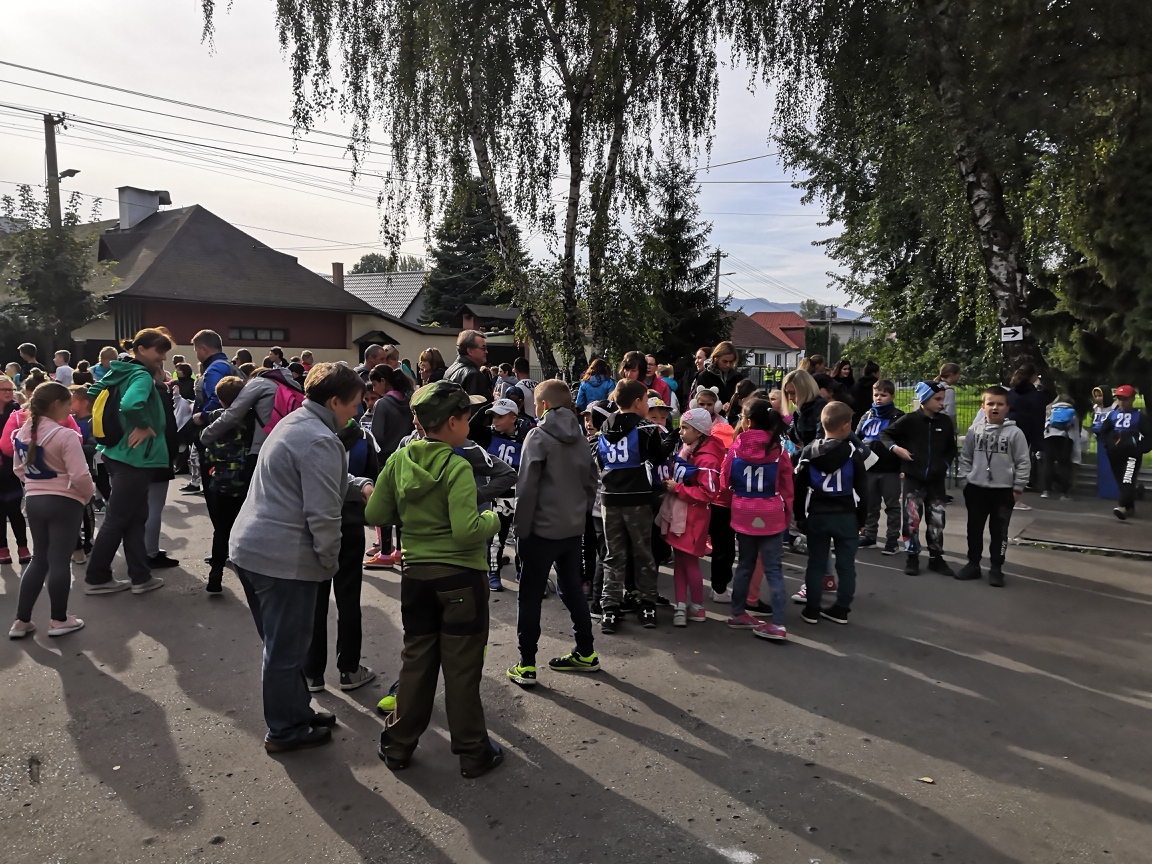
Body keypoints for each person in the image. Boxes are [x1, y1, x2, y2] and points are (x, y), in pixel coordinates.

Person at [230, 363, 373, 753]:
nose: (357, 411)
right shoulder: (320, 439)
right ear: (334, 401)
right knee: (285, 649)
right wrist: (328, 561)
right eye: (354, 404)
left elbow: (319, 477)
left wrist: (359, 485)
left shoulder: (297, 422)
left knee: (282, 645)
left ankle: (296, 712)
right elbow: (323, 515)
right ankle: (284, 730)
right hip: (281, 557)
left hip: (254, 549)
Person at [366, 380, 504, 778]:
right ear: (452, 422)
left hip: (416, 578)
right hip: (460, 579)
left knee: (417, 661)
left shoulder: (399, 460)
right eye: (467, 418)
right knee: (461, 668)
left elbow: (375, 515)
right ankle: (473, 752)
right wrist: (493, 519)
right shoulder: (456, 466)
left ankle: (397, 745)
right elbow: (466, 530)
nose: (470, 426)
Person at [506, 379, 599, 686]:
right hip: (571, 530)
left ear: (543, 404)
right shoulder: (581, 438)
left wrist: (520, 529)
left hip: (540, 531)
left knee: (530, 595)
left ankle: (526, 664)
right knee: (572, 589)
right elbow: (591, 482)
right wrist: (579, 515)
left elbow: (526, 488)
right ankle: (586, 651)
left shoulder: (537, 436)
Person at [84, 328, 172, 595]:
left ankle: (140, 576)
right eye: (159, 351)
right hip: (135, 457)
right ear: (141, 349)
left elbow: (93, 393)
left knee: (135, 517)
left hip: (116, 452)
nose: (163, 357)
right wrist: (143, 425)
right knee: (118, 518)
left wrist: (117, 425)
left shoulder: (118, 371)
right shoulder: (140, 375)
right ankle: (97, 577)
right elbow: (131, 405)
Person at [7, 382, 96, 639]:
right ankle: (59, 619)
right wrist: (86, 496)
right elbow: (80, 475)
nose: (70, 410)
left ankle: (21, 620)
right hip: (64, 501)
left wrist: (35, 487)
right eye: (67, 405)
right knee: (59, 561)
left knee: (39, 559)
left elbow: (18, 469)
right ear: (56, 404)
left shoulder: (22, 433)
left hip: (35, 501)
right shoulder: (65, 435)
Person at [305, 413, 380, 692]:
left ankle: (312, 672)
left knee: (316, 600)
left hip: (317, 525)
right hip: (350, 526)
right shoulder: (363, 439)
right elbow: (373, 479)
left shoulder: (312, 435)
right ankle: (349, 669)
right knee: (348, 599)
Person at [596, 378, 668, 633]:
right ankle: (647, 603)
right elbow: (658, 457)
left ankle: (609, 607)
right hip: (637, 497)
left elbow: (600, 459)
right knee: (643, 552)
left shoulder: (603, 426)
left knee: (613, 555)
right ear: (638, 402)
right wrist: (669, 442)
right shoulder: (646, 428)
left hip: (610, 497)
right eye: (646, 401)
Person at [794, 401, 868, 625]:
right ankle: (841, 609)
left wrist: (800, 517)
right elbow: (862, 490)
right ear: (846, 426)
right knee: (846, 565)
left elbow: (799, 488)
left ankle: (812, 609)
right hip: (846, 515)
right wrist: (861, 519)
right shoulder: (853, 453)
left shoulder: (809, 452)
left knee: (816, 564)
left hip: (818, 514)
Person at [880, 380, 957, 576]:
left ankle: (936, 558)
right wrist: (896, 449)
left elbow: (951, 449)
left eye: (943, 399)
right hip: (914, 479)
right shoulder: (909, 420)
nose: (941, 403)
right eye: (937, 399)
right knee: (912, 520)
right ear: (924, 399)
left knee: (937, 520)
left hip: (936, 481)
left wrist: (943, 465)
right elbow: (885, 434)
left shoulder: (945, 422)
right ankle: (912, 557)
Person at [957, 386, 1030, 586]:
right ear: (983, 406)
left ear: (1007, 407)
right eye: (990, 404)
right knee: (974, 528)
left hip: (1003, 491)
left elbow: (1023, 462)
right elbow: (965, 457)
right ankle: (973, 564)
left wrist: (1017, 488)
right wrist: (965, 481)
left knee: (999, 531)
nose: (995, 408)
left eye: (1000, 404)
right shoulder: (974, 430)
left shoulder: (1015, 433)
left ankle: (996, 568)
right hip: (976, 489)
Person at [659, 407, 723, 627]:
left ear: (699, 431)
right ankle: (680, 604)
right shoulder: (689, 450)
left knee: (689, 562)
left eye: (685, 428)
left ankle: (696, 605)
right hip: (682, 514)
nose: (680, 432)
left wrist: (678, 488)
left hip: (693, 517)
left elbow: (708, 493)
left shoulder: (707, 458)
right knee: (680, 560)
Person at [467, 397, 530, 590]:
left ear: (513, 417)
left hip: (520, 494)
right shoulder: (488, 435)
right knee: (496, 537)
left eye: (500, 416)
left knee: (522, 536)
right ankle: (493, 572)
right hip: (498, 494)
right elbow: (471, 427)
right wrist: (491, 404)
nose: (494, 420)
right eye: (493, 416)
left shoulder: (527, 435)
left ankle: (522, 570)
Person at [365, 365, 415, 569]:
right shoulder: (408, 402)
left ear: (383, 381)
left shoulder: (383, 404)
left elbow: (377, 436)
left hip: (385, 460)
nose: (374, 389)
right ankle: (400, 551)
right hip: (405, 458)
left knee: (385, 505)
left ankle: (385, 552)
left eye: (375, 384)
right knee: (401, 506)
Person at [856, 379, 905, 554]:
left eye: (883, 395)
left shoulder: (899, 417)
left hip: (890, 469)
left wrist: (902, 467)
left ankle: (892, 540)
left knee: (892, 506)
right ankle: (870, 536)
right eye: (876, 395)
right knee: (871, 504)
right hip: (869, 469)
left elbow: (903, 442)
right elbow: (857, 436)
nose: (878, 398)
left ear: (892, 396)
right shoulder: (867, 415)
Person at [1092, 384, 1152, 520]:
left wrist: (1140, 448)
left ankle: (1122, 507)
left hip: (1132, 454)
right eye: (1119, 399)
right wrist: (1109, 445)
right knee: (1120, 480)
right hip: (1114, 454)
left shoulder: (1139, 417)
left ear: (1132, 399)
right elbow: (1103, 432)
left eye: (1125, 399)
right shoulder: (1112, 415)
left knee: (1127, 479)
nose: (1122, 402)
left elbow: (1149, 436)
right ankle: (1130, 507)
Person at [1006, 363, 1055, 501]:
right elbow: (1037, 418)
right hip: (1025, 432)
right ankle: (1014, 496)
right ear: (1033, 376)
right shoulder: (1036, 395)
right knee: (1020, 463)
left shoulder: (1011, 393)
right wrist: (1038, 441)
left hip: (1008, 428)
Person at [0, 375, 26, 566]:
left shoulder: (17, 410)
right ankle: (2, 548)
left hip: (12, 465)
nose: (9, 393)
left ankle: (22, 546)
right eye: (5, 390)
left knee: (14, 508)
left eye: (11, 389)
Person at [1041, 396, 1078, 501]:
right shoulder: (1073, 412)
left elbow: (1045, 424)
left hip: (1049, 437)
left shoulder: (1050, 409)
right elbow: (1075, 430)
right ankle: (1064, 493)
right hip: (1066, 438)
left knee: (1048, 463)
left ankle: (1046, 491)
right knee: (1064, 464)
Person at [694, 342, 746, 412]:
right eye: (725, 361)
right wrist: (719, 407)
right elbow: (699, 402)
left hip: (733, 416)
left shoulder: (737, 377)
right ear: (716, 358)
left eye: (731, 362)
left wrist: (734, 406)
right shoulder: (704, 376)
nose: (728, 365)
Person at [445, 330, 492, 397]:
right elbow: (479, 403)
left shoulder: (449, 370)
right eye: (483, 348)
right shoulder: (474, 375)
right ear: (470, 351)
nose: (486, 351)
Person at [849, 361, 879, 429]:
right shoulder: (877, 384)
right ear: (874, 373)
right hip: (872, 414)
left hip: (857, 414)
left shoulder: (857, 383)